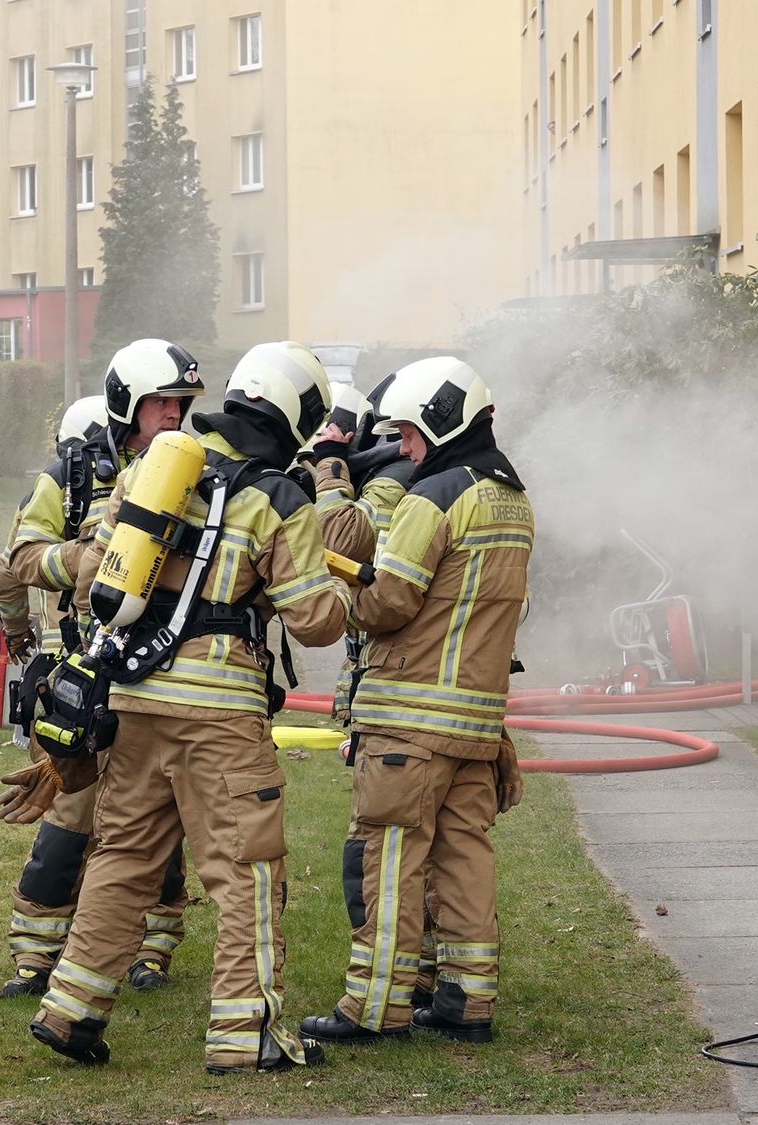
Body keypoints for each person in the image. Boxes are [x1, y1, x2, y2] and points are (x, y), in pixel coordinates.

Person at [29, 341, 349, 1075]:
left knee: (122, 856)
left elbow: (92, 578)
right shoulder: (278, 496)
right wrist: (336, 586)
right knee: (245, 868)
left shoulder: (154, 468)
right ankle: (246, 1033)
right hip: (219, 713)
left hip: (134, 698)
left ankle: (71, 1009)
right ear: (296, 415)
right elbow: (315, 622)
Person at [301, 356, 532, 1046]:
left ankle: (375, 1008)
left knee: (391, 858)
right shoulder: (513, 498)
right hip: (477, 722)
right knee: (464, 856)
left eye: (408, 434)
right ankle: (468, 1000)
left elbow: (391, 601)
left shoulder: (433, 497)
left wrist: (347, 591)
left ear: (441, 421)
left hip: (410, 718)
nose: (403, 449)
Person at [0, 340, 204, 1000]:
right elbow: (19, 557)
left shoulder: (199, 473)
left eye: (180, 403)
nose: (174, 414)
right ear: (127, 404)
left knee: (153, 816)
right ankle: (36, 956)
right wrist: (81, 560)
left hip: (160, 672)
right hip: (84, 672)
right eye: (161, 402)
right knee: (68, 817)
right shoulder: (73, 475)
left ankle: (154, 947)